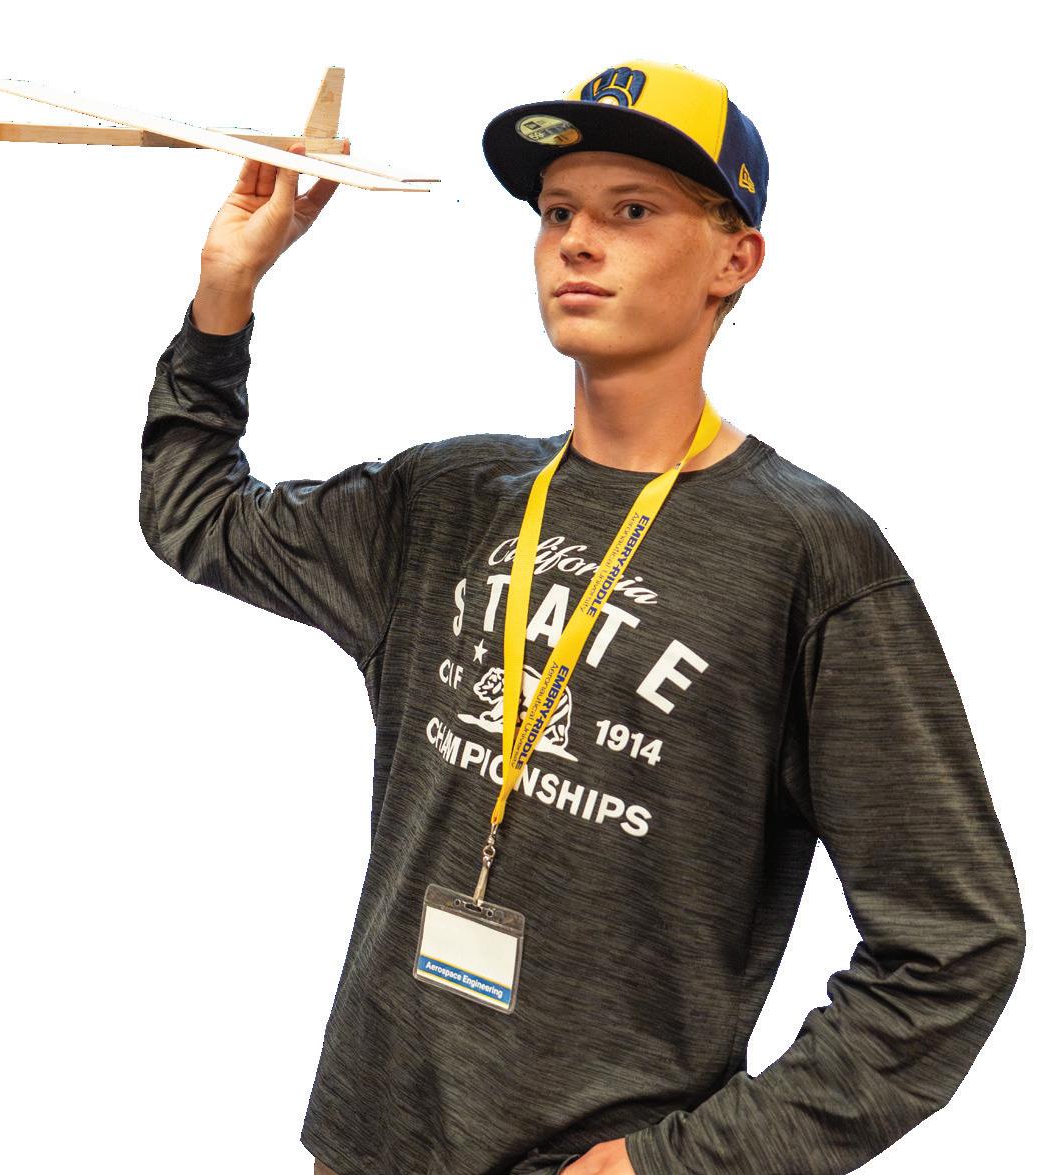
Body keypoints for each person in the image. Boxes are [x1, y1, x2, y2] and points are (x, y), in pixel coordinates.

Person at [139, 59, 1026, 1175]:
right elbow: (197, 517)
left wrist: (685, 1162)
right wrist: (225, 292)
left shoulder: (808, 558)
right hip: (368, 1141)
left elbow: (953, 947)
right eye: (557, 211)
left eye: (631, 211)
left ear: (734, 259)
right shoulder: (446, 498)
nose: (576, 242)